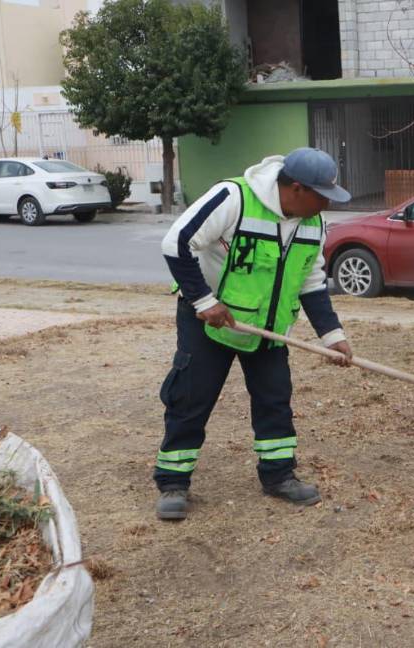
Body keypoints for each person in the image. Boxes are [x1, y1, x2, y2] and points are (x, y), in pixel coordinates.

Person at [154, 148, 353, 520]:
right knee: (191, 398)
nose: (326, 204)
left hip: (269, 328)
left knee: (274, 400)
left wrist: (331, 335)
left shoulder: (313, 223)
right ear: (296, 189)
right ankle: (173, 481)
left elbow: (311, 281)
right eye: (321, 196)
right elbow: (176, 243)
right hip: (211, 321)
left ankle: (279, 476)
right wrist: (204, 302)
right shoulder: (234, 198)